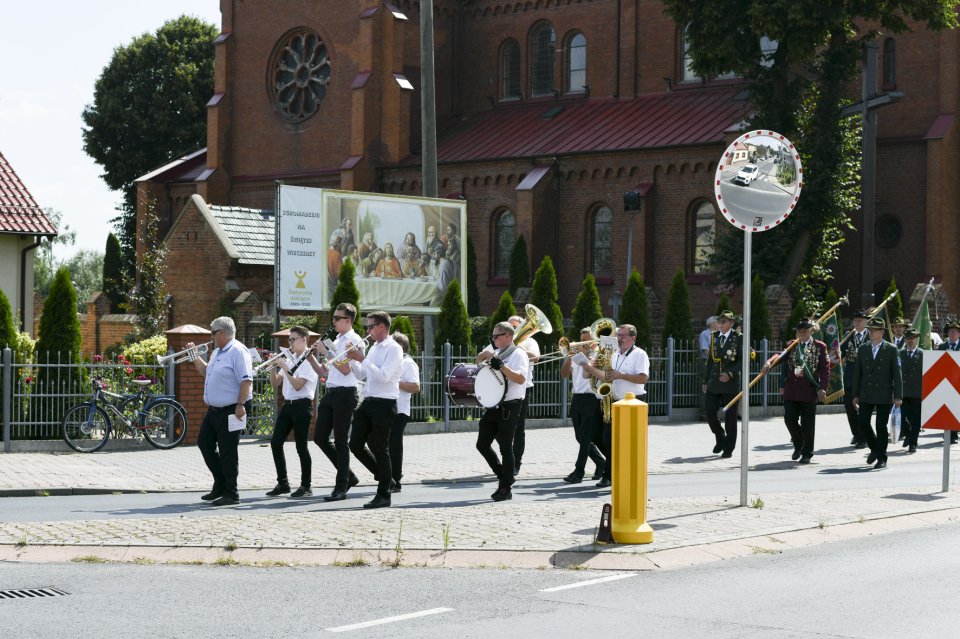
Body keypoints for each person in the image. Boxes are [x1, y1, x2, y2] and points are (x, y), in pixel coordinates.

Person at [188, 317, 253, 506]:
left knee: (228, 451)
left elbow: (246, 381)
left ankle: (231, 493)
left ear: (222, 333)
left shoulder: (238, 351)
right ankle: (220, 483)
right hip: (215, 409)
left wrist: (240, 405)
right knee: (204, 443)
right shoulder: (217, 352)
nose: (211, 336)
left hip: (232, 408)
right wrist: (195, 358)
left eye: (213, 333)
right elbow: (207, 372)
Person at [307, 303, 365, 502]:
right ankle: (348, 475)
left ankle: (341, 486)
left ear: (348, 320)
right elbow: (325, 371)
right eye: (334, 317)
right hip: (331, 392)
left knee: (341, 441)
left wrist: (326, 352)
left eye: (337, 318)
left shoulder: (354, 340)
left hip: (346, 393)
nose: (333, 321)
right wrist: (310, 358)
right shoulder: (337, 339)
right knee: (320, 437)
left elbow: (347, 370)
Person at [347, 311, 403, 508]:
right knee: (354, 444)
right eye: (367, 327)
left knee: (380, 448)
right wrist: (352, 360)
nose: (368, 330)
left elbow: (384, 376)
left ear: (382, 327)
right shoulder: (374, 348)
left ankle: (384, 494)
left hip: (385, 403)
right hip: (369, 401)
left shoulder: (393, 348)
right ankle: (384, 476)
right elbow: (363, 374)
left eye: (370, 326)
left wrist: (362, 359)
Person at [584, 323, 650, 487]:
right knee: (596, 435)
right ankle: (616, 466)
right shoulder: (614, 354)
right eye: (618, 335)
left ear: (632, 338)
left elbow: (643, 379)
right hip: (611, 400)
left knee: (614, 440)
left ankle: (610, 474)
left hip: (632, 402)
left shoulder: (639, 354)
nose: (618, 338)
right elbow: (606, 376)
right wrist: (592, 367)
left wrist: (621, 375)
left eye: (622, 335)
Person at [477, 313, 541, 476]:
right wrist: (490, 355)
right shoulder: (498, 346)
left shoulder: (527, 343)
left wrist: (516, 350)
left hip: (519, 392)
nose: (493, 339)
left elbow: (535, 358)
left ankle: (513, 468)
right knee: (493, 440)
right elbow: (479, 358)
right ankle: (505, 471)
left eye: (515, 326)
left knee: (517, 430)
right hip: (498, 397)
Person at [476, 322, 530, 501]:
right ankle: (504, 476)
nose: (493, 340)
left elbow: (521, 378)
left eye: (496, 336)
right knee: (482, 444)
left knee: (505, 446)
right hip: (494, 404)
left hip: (511, 404)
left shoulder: (518, 354)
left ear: (508, 336)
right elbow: (478, 362)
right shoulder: (497, 352)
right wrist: (486, 356)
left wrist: (502, 366)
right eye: (492, 337)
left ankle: (505, 487)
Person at [766, 318, 829, 464]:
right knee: (789, 419)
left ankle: (807, 452)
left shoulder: (820, 346)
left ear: (811, 331)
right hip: (791, 389)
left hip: (809, 390)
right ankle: (798, 444)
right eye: (800, 331)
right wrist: (769, 362)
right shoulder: (792, 345)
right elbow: (780, 356)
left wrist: (823, 388)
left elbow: (825, 369)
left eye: (805, 331)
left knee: (808, 423)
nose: (802, 334)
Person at [266, 326, 318, 498]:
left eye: (293, 339)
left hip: (302, 405)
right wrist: (273, 366)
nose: (290, 343)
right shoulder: (290, 359)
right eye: (289, 340)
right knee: (275, 443)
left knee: (301, 446)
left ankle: (306, 486)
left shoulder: (309, 361)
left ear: (304, 339)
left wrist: (285, 367)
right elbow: (275, 383)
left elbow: (298, 385)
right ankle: (283, 483)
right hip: (288, 406)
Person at [851, 316, 903, 469]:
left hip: (884, 393)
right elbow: (857, 373)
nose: (872, 333)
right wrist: (855, 394)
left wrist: (898, 396)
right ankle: (875, 448)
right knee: (863, 422)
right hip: (866, 392)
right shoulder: (863, 348)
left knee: (881, 425)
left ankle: (882, 458)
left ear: (882, 332)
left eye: (875, 330)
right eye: (870, 330)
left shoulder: (891, 349)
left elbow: (897, 374)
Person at [560, 327, 606, 483]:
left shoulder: (598, 355)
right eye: (581, 340)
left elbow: (592, 373)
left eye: (586, 340)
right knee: (580, 437)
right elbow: (565, 374)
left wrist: (585, 356)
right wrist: (568, 357)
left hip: (592, 398)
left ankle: (579, 472)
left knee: (585, 437)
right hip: (577, 398)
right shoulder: (575, 357)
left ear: (593, 341)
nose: (583, 343)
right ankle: (601, 463)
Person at [701, 310, 742, 459]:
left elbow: (742, 360)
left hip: (731, 383)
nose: (721, 324)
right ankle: (719, 435)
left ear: (731, 323)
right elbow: (711, 361)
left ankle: (728, 448)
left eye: (724, 321)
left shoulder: (738, 338)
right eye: (720, 321)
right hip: (715, 381)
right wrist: (705, 380)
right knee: (710, 412)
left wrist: (730, 373)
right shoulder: (714, 337)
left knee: (731, 418)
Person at [389, 332, 420, 492]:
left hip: (400, 410)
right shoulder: (392, 362)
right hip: (387, 408)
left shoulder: (408, 363)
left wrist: (395, 382)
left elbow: (415, 386)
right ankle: (388, 476)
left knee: (394, 445)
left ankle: (396, 479)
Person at [843, 309, 869, 448]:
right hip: (850, 378)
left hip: (865, 379)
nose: (858, 323)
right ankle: (856, 433)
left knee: (863, 409)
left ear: (866, 322)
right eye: (856, 320)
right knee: (850, 408)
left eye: (860, 320)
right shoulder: (848, 336)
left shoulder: (871, 336)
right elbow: (839, 352)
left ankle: (863, 437)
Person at [936, 318, 960, 444]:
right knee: (947, 409)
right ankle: (949, 434)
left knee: (957, 409)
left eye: (955, 332)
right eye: (951, 331)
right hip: (945, 382)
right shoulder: (942, 347)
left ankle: (954, 433)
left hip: (959, 382)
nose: (953, 334)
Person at [899, 327, 923, 453]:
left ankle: (913, 443)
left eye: (913, 338)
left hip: (917, 393)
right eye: (908, 339)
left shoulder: (923, 354)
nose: (911, 341)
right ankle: (908, 434)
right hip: (903, 392)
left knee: (916, 421)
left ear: (917, 339)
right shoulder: (900, 354)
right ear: (905, 340)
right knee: (902, 419)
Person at [698, 316, 719, 420]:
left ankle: (713, 412)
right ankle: (704, 413)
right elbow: (705, 350)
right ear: (711, 324)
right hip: (707, 362)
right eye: (717, 322)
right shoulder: (704, 334)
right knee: (705, 387)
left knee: (716, 386)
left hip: (717, 362)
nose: (719, 324)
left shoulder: (720, 335)